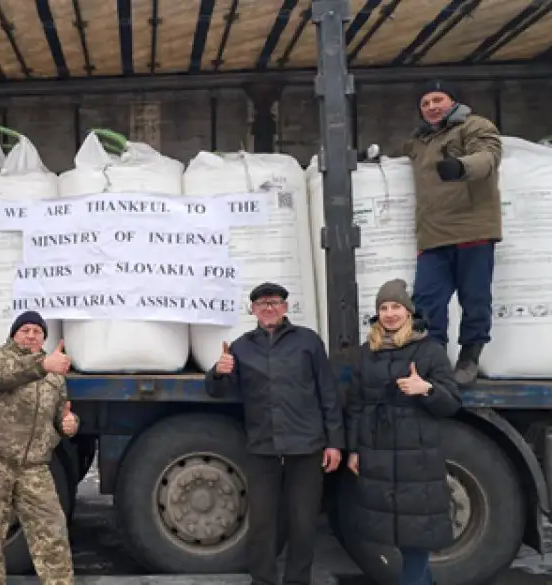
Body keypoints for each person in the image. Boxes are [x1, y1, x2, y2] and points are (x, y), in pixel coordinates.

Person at [205, 282, 344, 585]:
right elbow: (218, 391)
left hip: (306, 446)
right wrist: (218, 372)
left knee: (303, 523)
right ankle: (263, 579)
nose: (268, 308)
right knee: (262, 524)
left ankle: (297, 580)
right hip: (263, 446)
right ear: (253, 310)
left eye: (275, 302)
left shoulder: (308, 341)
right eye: (262, 303)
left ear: (285, 307)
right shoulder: (241, 347)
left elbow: (328, 393)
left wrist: (335, 443)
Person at [366, 80, 502, 386]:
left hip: (472, 230)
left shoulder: (474, 126)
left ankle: (469, 356)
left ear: (452, 101)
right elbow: (396, 156)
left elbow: (487, 157)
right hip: (432, 235)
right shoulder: (419, 141)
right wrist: (368, 157)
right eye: (425, 103)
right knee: (427, 302)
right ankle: (435, 358)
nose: (431, 107)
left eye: (437, 100)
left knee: (475, 298)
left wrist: (461, 166)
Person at [345, 278, 462, 585]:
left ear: (409, 312)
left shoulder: (430, 351)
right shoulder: (366, 353)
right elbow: (355, 404)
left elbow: (451, 403)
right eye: (384, 307)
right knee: (392, 532)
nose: (390, 314)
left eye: (396, 306)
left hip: (417, 456)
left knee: (416, 533)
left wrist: (427, 389)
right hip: (378, 451)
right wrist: (354, 450)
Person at [0, 310, 79, 585]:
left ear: (43, 337)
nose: (31, 335)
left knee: (53, 534)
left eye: (37, 331)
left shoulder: (54, 377)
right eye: (25, 330)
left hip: (34, 467)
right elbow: (2, 375)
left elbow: (60, 415)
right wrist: (43, 364)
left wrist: (69, 424)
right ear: (13, 334)